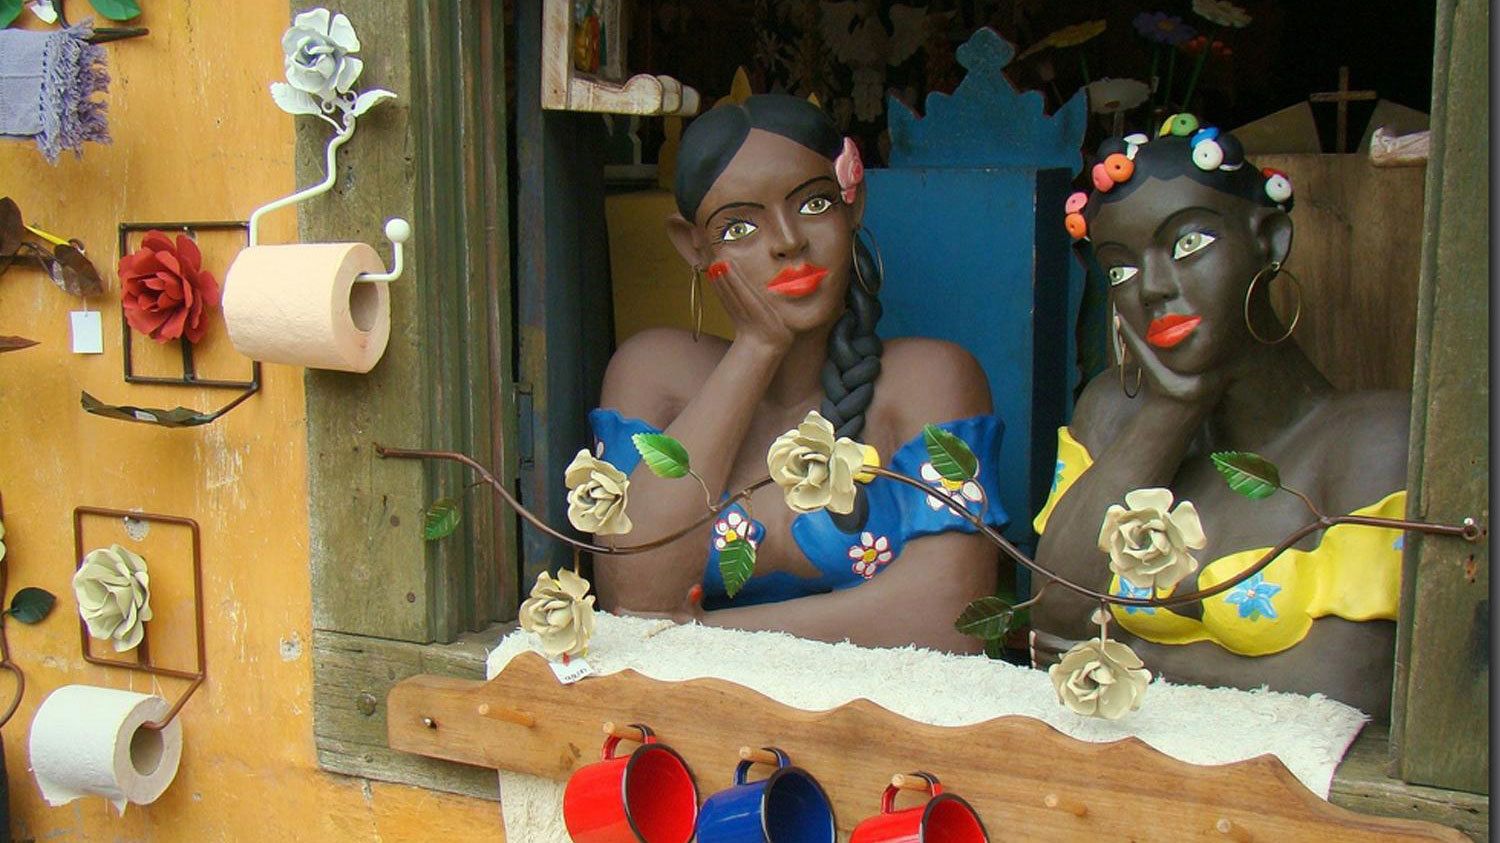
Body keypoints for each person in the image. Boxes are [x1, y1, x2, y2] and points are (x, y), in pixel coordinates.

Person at [589, 94, 1008, 653]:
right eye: (738, 228)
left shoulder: (931, 380)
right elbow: (635, 597)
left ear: (853, 206)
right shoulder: (655, 373)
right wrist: (757, 349)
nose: (787, 241)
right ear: (692, 246)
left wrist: (710, 633)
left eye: (812, 205)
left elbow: (953, 616)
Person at [1033, 117, 1409, 718]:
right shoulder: (1111, 414)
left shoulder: (1376, 440)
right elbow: (1052, 615)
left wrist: (1124, 653)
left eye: (1187, 245)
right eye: (1120, 270)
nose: (1152, 288)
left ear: (1270, 240)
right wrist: (1173, 408)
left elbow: (1353, 683)